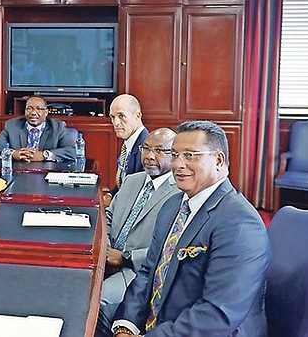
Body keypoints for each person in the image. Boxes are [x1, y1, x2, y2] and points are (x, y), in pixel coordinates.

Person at [105, 120, 270, 337]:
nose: (177, 164)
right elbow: (148, 273)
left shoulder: (239, 223)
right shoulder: (173, 206)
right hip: (160, 323)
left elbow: (216, 315)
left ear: (218, 160)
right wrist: (125, 326)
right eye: (174, 155)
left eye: (190, 155)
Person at [97, 128, 179, 335]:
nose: (150, 156)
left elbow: (173, 245)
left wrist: (124, 258)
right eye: (146, 149)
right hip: (105, 259)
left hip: (137, 271)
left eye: (160, 150)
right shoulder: (132, 180)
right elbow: (106, 218)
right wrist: (106, 250)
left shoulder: (179, 192)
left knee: (96, 300)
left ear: (174, 155)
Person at [0, 96, 76, 162]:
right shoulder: (12, 125)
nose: (33, 113)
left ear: (46, 112)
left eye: (38, 109)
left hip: (46, 173)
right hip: (19, 172)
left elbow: (71, 151)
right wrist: (13, 154)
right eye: (29, 109)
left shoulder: (57, 127)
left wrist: (44, 155)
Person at [104, 94, 149, 206]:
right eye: (113, 117)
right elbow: (124, 183)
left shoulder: (146, 148)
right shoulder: (128, 142)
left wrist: (112, 202)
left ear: (137, 115)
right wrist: (110, 194)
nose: (116, 123)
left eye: (121, 116)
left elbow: (138, 195)